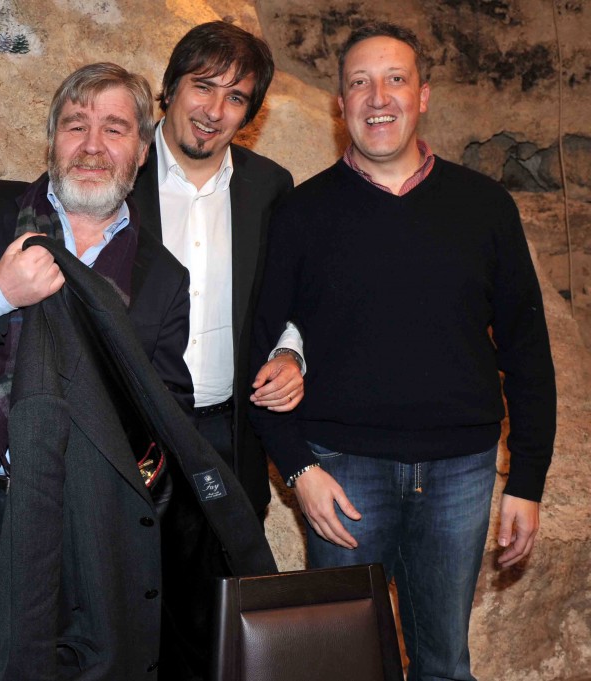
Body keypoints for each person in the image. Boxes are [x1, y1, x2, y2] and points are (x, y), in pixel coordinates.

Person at [249, 22, 556, 680]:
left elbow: (528, 351)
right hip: (343, 473)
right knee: (341, 667)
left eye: (395, 79)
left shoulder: (485, 207)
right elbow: (259, 349)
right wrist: (298, 469)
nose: (378, 97)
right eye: (359, 83)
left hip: (460, 474)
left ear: (423, 96)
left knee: (444, 665)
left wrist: (527, 480)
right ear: (340, 104)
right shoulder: (301, 213)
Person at [0, 63, 194, 681]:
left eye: (114, 129)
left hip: (79, 530)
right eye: (75, 125)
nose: (92, 146)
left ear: (141, 150)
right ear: (51, 140)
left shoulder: (163, 276)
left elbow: (168, 412)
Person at [130, 21, 304, 522]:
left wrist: (289, 353)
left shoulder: (270, 187)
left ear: (249, 113)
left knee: (231, 573)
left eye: (235, 97)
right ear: (170, 88)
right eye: (203, 87)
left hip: (229, 436)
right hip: (128, 432)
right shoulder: (118, 170)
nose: (213, 111)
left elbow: (290, 294)